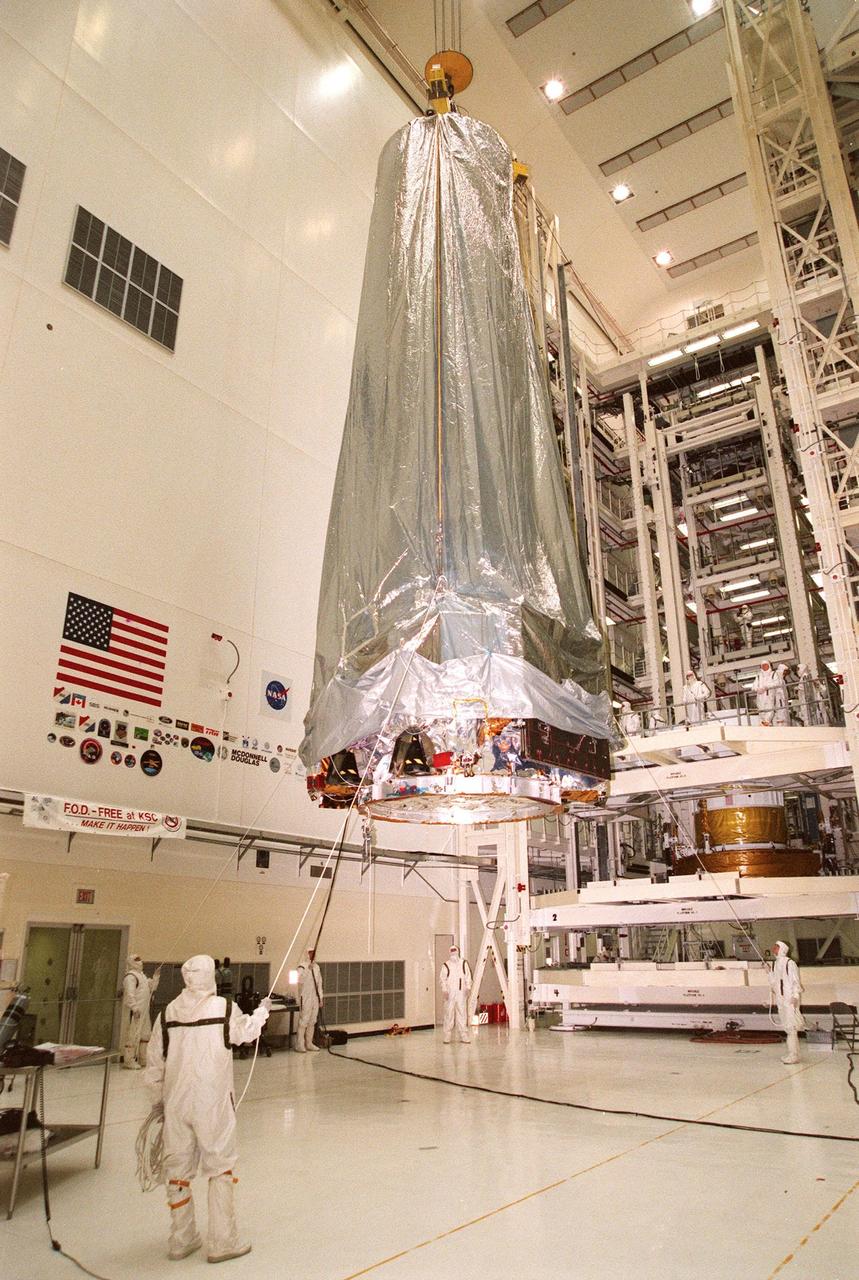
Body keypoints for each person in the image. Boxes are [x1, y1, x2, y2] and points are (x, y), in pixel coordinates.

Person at [143, 955, 271, 1263]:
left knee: (178, 1171)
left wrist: (158, 1102)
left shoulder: (167, 1013)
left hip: (176, 1104)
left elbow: (153, 1064)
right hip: (212, 1104)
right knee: (220, 1167)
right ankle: (222, 1241)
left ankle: (181, 1239)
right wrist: (263, 1013)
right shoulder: (223, 1008)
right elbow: (246, 1033)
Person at [769, 939, 805, 1064]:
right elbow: (774, 983)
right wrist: (768, 972)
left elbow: (795, 981)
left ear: (782, 949)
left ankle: (794, 1055)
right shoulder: (775, 964)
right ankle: (792, 1053)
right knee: (786, 1027)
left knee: (791, 1027)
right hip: (781, 1000)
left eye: (776, 947)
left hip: (789, 1000)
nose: (773, 948)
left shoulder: (790, 963)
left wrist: (795, 996)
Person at [122, 954, 159, 1069]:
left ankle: (143, 1058)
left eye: (140, 959)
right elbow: (129, 994)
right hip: (136, 1011)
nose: (140, 962)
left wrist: (156, 977)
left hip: (144, 1011)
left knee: (145, 1034)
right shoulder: (130, 977)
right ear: (131, 962)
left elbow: (152, 988)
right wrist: (134, 1008)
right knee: (133, 1034)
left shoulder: (142, 976)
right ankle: (129, 1060)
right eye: (137, 960)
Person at [439, 944, 472, 1044]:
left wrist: (468, 987)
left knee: (462, 1013)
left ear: (457, 951)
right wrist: (444, 990)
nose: (453, 953)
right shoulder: (446, 965)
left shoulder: (463, 963)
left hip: (461, 993)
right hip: (450, 993)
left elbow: (468, 977)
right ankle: (447, 1035)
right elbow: (442, 979)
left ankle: (464, 1035)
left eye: (455, 951)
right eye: (452, 951)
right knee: (449, 1013)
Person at [295, 949, 323, 1052]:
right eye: (310, 953)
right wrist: (307, 970)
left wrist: (320, 998)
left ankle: (309, 1043)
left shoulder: (317, 967)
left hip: (315, 998)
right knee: (304, 1021)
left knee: (312, 1021)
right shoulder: (301, 966)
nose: (312, 955)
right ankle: (299, 1044)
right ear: (307, 954)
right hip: (305, 997)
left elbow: (319, 984)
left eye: (314, 953)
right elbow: (298, 980)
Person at [751, 660, 778, 725]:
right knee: (761, 710)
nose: (764, 667)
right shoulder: (759, 676)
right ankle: (764, 723)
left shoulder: (773, 674)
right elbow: (753, 686)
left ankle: (767, 722)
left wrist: (766, 687)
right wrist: (757, 689)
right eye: (763, 666)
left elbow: (777, 683)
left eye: (766, 665)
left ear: (769, 666)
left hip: (769, 695)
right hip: (760, 697)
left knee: (770, 709)